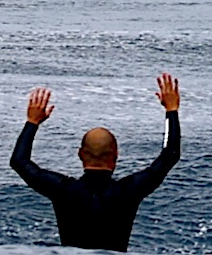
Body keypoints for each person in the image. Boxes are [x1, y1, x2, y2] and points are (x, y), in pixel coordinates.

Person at [10, 73, 182, 252]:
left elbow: (19, 161)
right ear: (116, 155)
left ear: (80, 154)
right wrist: (171, 110)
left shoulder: (63, 189)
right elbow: (171, 155)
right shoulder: (128, 191)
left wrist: (32, 122)